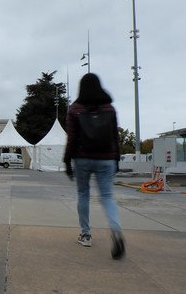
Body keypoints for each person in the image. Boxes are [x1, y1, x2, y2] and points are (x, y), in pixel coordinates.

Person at [63, 73, 125, 260]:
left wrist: (67, 161)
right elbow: (115, 136)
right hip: (106, 158)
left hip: (82, 157)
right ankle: (115, 229)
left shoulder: (74, 109)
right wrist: (117, 159)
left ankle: (86, 234)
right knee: (107, 196)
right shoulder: (110, 109)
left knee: (83, 194)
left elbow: (72, 138)